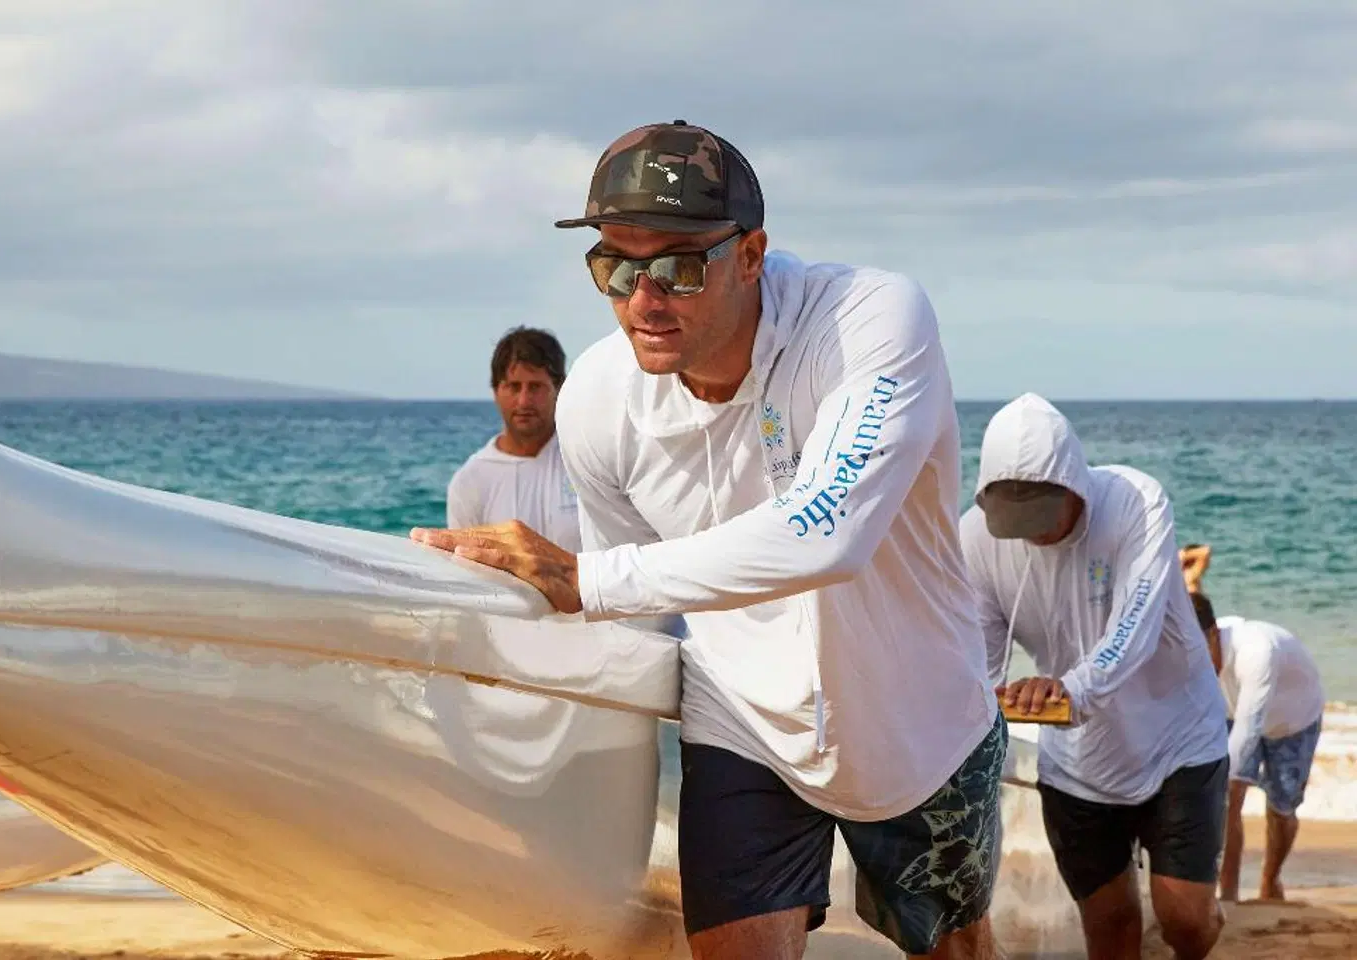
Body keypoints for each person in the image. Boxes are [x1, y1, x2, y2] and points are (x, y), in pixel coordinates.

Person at [413, 119, 1004, 960]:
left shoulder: (871, 322)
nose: (642, 301)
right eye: (613, 266)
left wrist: (584, 578)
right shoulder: (596, 403)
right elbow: (637, 614)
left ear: (753, 254)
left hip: (919, 723)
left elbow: (822, 532)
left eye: (677, 268)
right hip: (742, 720)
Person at [959, 393, 1230, 960]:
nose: (1029, 534)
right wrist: (980, 721)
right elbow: (982, 661)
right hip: (1078, 762)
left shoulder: (1136, 502)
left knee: (1185, 923)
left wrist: (1073, 688)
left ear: (1075, 486)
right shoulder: (977, 539)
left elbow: (1137, 624)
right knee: (1110, 928)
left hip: (1178, 741)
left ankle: (1208, 917)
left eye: (1040, 513)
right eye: (1013, 518)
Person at [1190, 592, 1325, 903]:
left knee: (1281, 809)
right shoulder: (1191, 643)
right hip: (1233, 711)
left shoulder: (1256, 651)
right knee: (1228, 798)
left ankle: (1270, 878)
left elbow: (1249, 729)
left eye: (1197, 651)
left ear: (1214, 634)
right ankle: (1229, 896)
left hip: (1293, 721)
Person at [445, 326, 581, 553]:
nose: (524, 401)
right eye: (514, 387)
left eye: (535, 387)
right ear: (496, 391)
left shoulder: (586, 457)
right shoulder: (470, 482)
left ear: (559, 388)